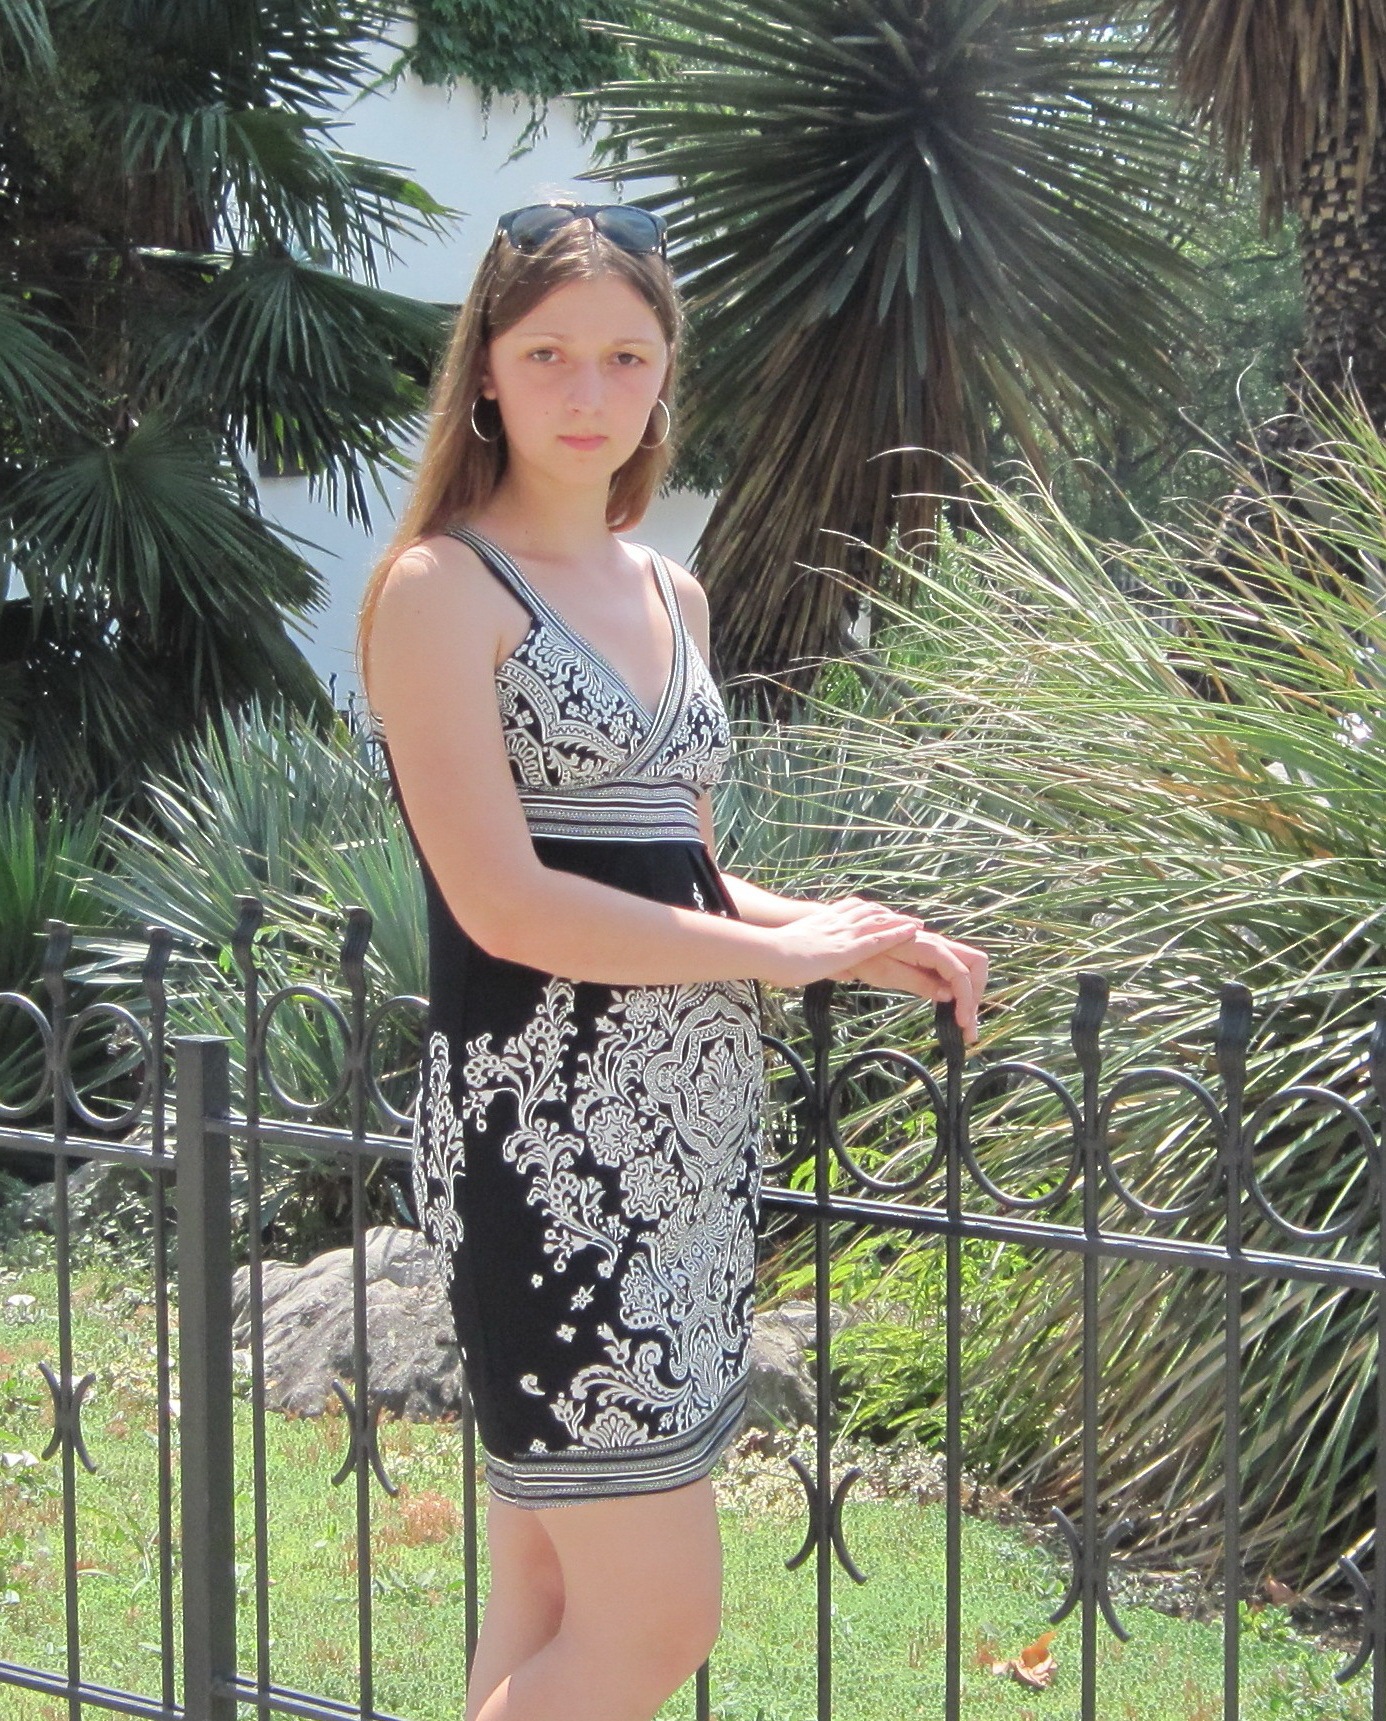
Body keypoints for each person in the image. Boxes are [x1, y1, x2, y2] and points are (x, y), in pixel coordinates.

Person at [356, 198, 988, 1721]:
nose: (590, 391)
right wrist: (773, 962)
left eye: (625, 357)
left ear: (664, 374)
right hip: (550, 1149)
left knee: (547, 1589)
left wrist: (845, 937)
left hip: (691, 1140)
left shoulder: (670, 589)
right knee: (656, 1624)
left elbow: (682, 869)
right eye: (548, 353)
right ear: (486, 368)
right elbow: (504, 903)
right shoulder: (438, 590)